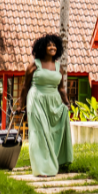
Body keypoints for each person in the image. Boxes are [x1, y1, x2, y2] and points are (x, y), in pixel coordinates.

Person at [19, 34, 73, 177]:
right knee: (39, 134)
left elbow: (61, 88)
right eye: (49, 45)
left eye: (54, 45)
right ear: (42, 47)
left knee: (52, 133)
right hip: (36, 100)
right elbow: (25, 87)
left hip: (54, 103)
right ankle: (41, 169)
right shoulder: (34, 65)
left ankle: (54, 161)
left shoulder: (58, 67)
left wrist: (66, 103)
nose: (52, 47)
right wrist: (20, 106)